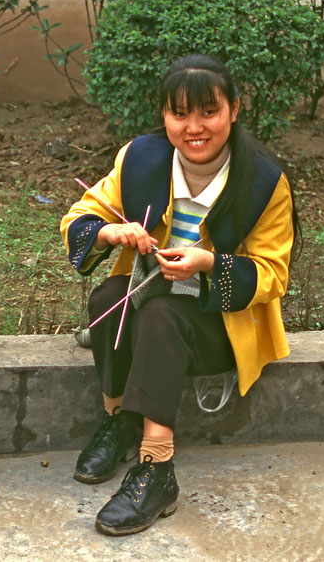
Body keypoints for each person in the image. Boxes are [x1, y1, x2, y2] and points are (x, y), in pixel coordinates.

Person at [60, 54, 298, 536]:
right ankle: (122, 418)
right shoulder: (139, 159)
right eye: (179, 114)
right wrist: (111, 233)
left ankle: (156, 465)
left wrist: (209, 263)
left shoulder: (265, 181)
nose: (194, 127)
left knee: (163, 314)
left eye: (208, 112)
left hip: (219, 325)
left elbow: (273, 273)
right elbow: (79, 217)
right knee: (109, 299)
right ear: (164, 115)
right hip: (152, 304)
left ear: (234, 109)